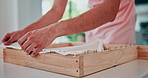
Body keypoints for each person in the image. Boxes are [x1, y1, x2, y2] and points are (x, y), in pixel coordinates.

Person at [2, 0, 136, 57]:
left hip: (120, 33)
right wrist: (22, 33)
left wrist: (53, 31)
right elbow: (56, 11)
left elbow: (108, 11)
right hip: (94, 34)